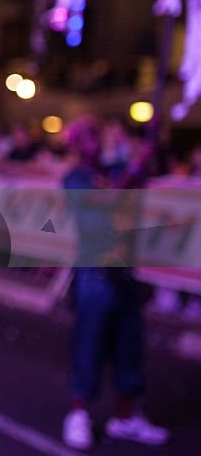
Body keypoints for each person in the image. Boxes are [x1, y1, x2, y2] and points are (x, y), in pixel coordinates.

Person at [61, 116, 169, 450]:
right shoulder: (76, 179)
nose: (95, 141)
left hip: (125, 275)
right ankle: (78, 415)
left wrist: (151, 145)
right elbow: (107, 204)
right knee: (89, 345)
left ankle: (125, 416)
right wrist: (136, 164)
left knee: (129, 346)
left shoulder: (112, 171)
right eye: (87, 136)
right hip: (95, 275)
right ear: (76, 144)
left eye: (97, 134)